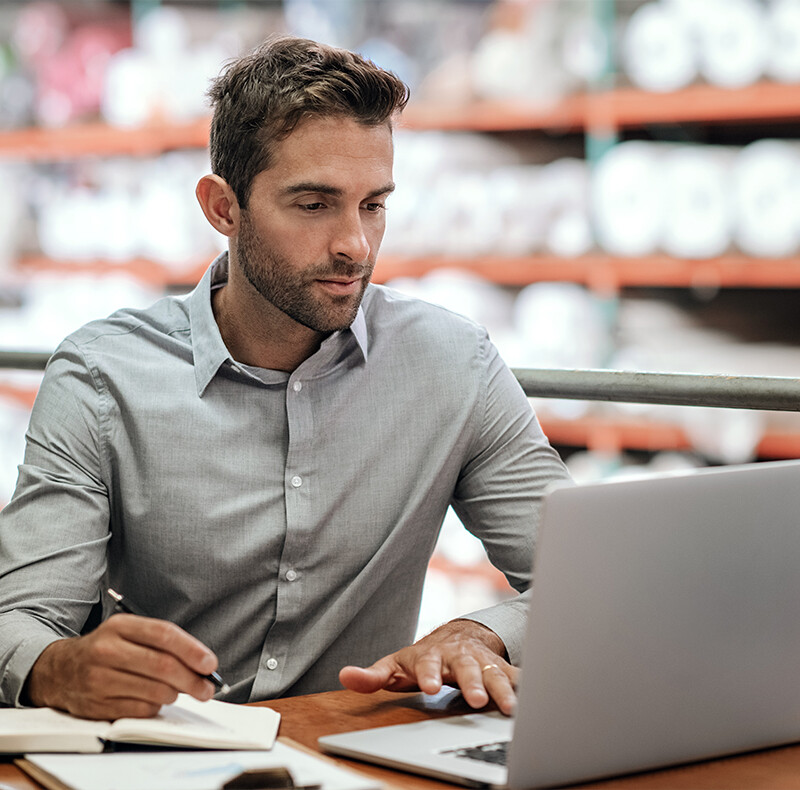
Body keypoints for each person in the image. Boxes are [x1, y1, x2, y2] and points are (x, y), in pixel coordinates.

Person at [0, 36, 570, 720]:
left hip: (358, 754)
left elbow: (589, 581)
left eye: (374, 204)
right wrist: (60, 667)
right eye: (313, 204)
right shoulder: (102, 379)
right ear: (222, 208)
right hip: (161, 762)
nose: (355, 245)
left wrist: (486, 635)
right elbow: (20, 621)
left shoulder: (453, 364)